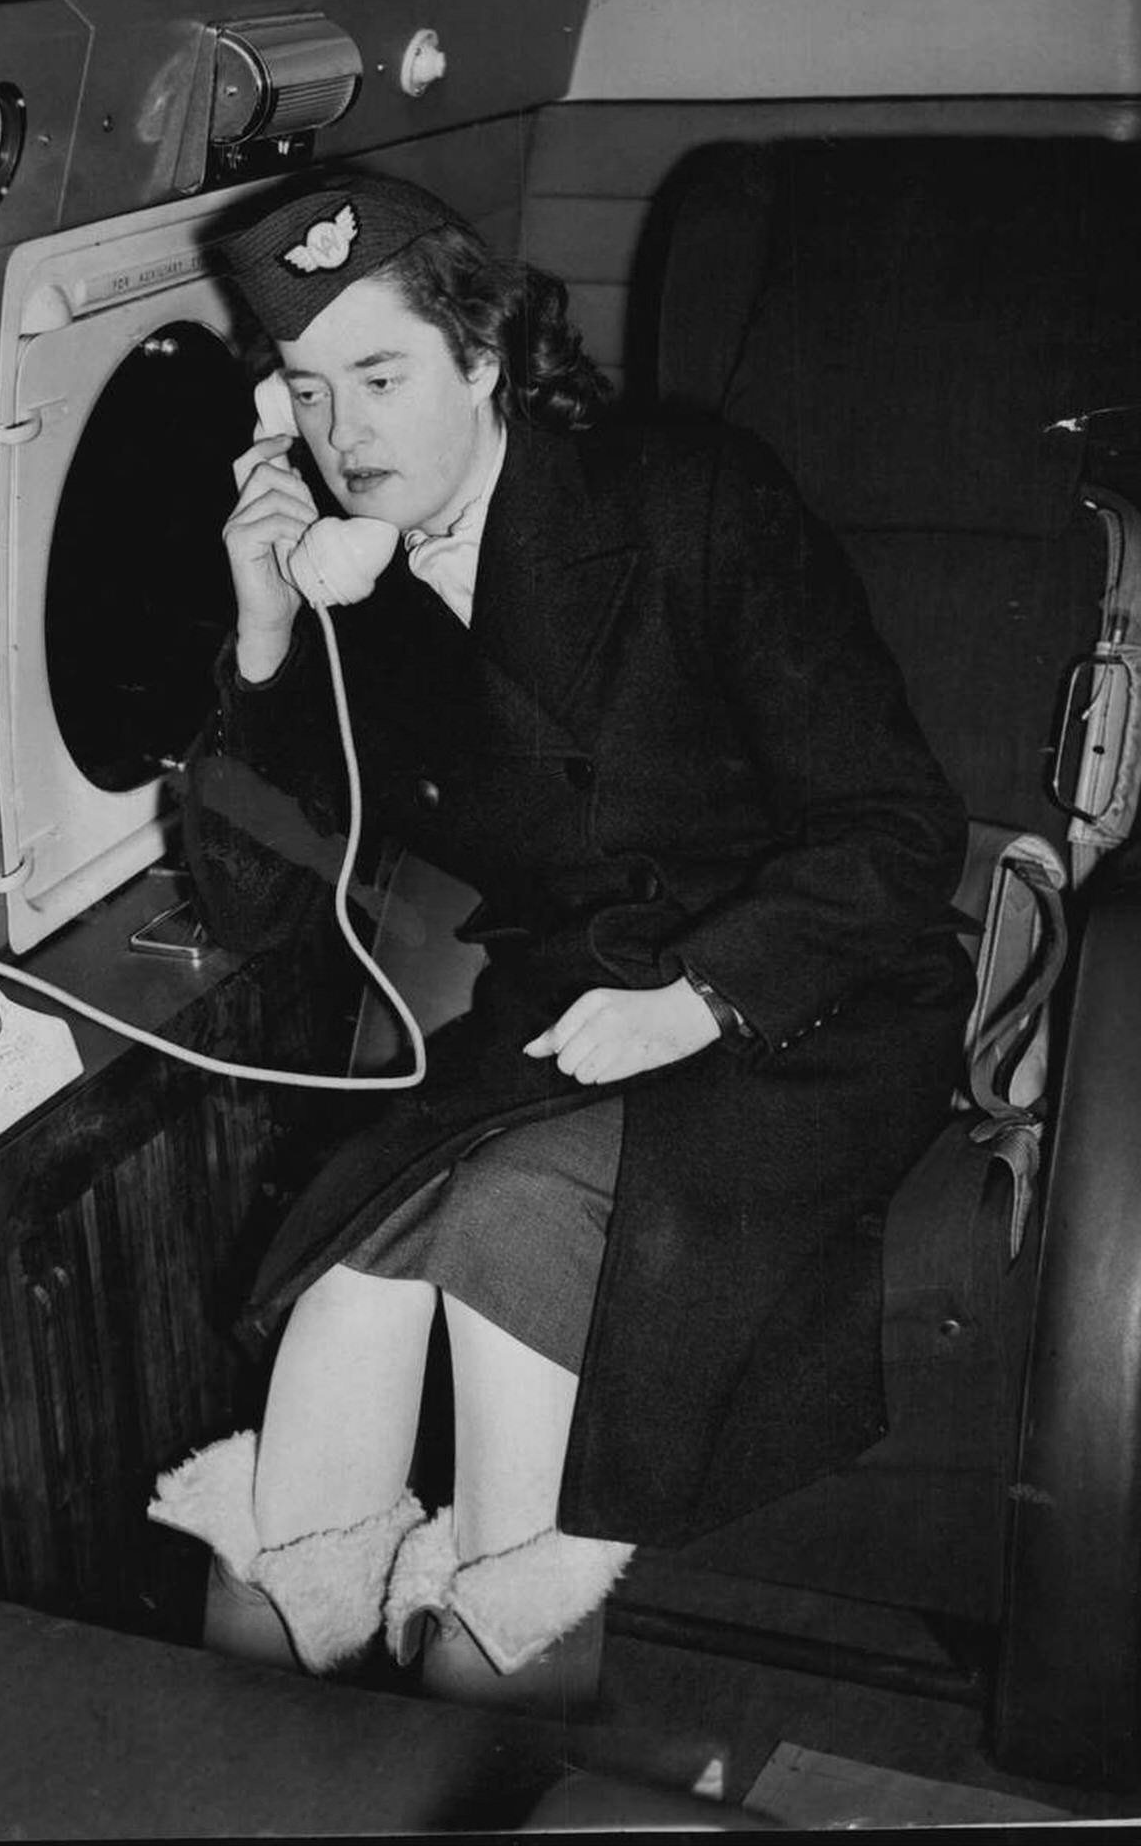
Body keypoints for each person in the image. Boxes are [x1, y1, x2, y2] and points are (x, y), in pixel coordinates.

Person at [148, 170, 974, 1708]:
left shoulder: (689, 501)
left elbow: (898, 832)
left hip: (806, 1001)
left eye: (381, 377)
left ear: (482, 357)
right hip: (565, 1011)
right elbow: (258, 906)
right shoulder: (352, 600)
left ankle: (499, 1708)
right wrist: (263, 634)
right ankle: (261, 1750)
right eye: (308, 394)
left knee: (514, 1221)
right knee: (345, 1292)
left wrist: (700, 996)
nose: (343, 435)